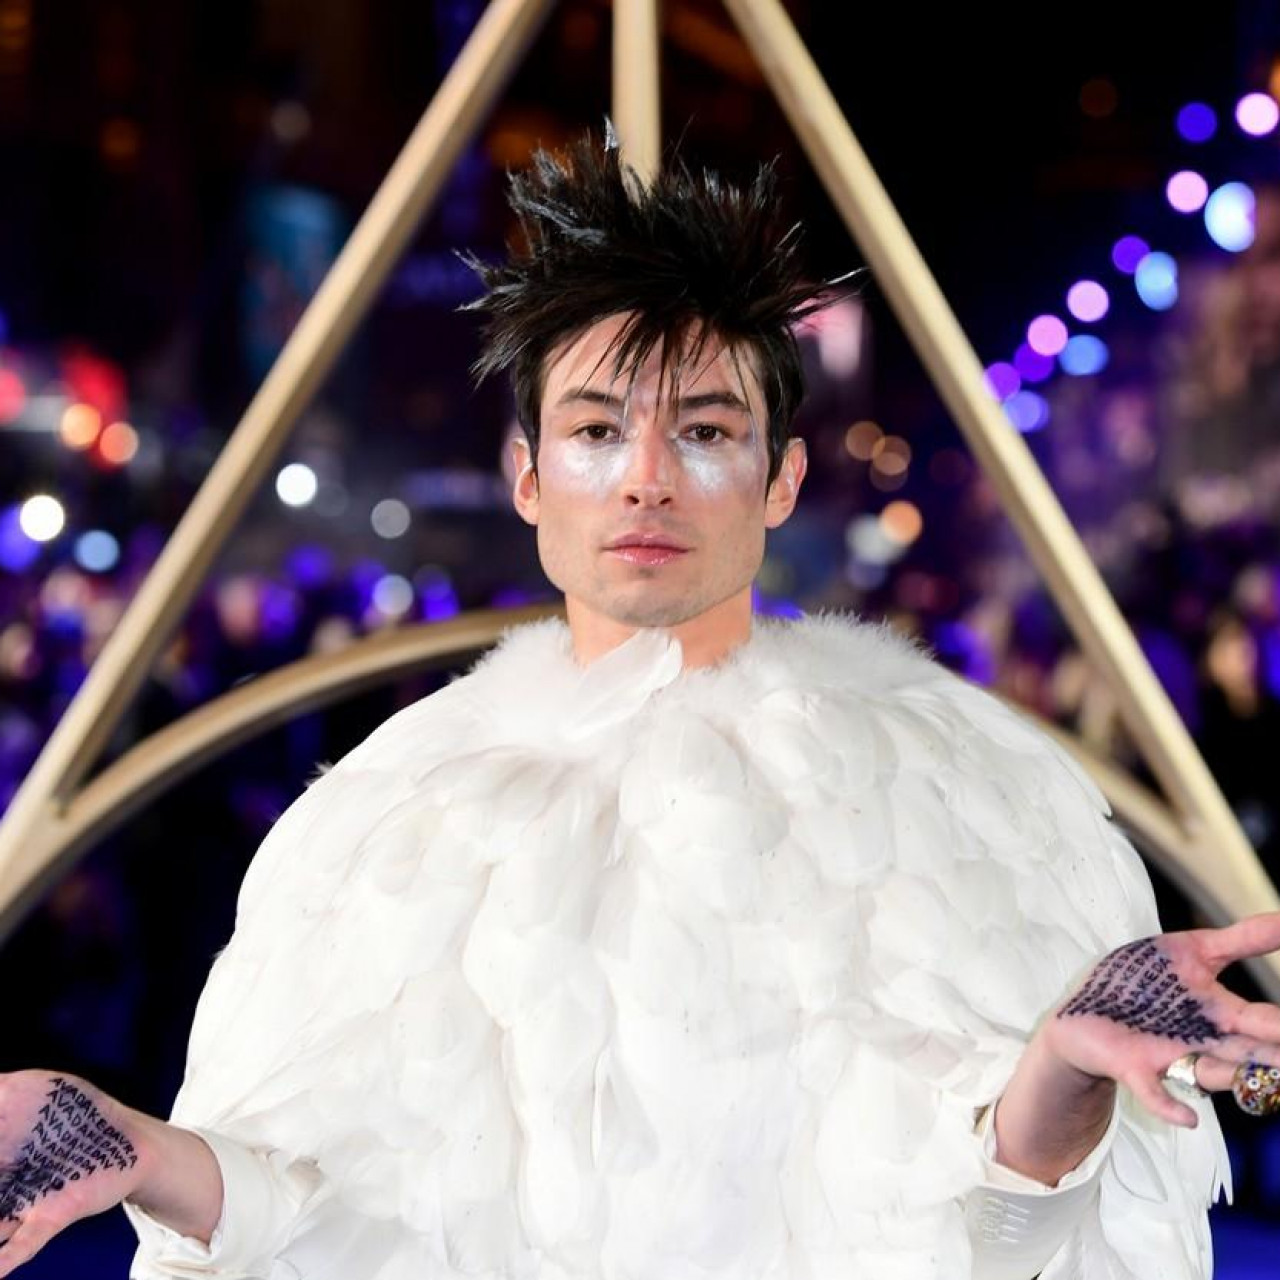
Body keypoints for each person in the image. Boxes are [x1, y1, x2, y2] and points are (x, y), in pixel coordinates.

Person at [3, 128, 1280, 1280]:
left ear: (781, 478)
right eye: (597, 431)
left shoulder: (960, 801)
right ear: (527, 475)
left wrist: (1058, 1078)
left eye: (706, 432)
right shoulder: (384, 820)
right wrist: (137, 1149)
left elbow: (984, 1243)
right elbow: (327, 1220)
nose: (646, 481)